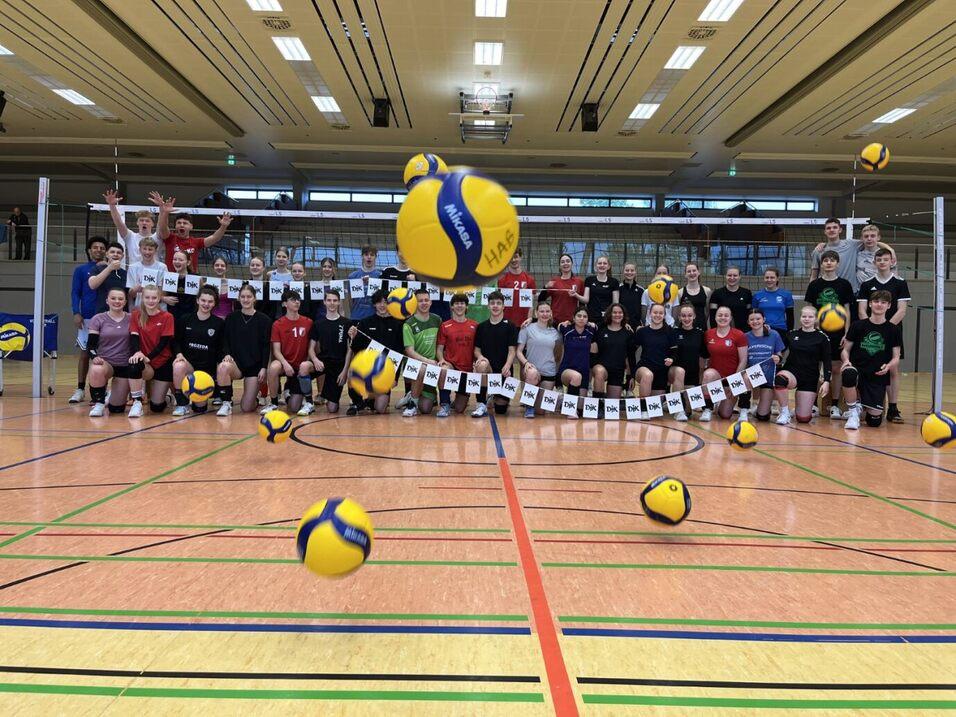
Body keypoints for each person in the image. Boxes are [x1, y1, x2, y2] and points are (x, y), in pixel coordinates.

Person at [857, 247, 910, 423]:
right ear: (874, 263)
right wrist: (870, 328)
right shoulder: (866, 284)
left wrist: (886, 328)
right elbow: (862, 310)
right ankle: (867, 405)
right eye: (878, 260)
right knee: (869, 366)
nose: (882, 263)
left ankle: (893, 408)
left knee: (893, 368)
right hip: (869, 334)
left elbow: (902, 310)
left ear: (892, 262)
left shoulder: (900, 283)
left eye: (885, 260)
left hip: (892, 332)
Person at [840, 290, 901, 430]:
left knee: (874, 422)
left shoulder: (893, 330)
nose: (879, 305)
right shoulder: (858, 325)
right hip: (858, 370)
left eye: (883, 302)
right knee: (848, 373)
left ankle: (861, 406)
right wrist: (846, 361)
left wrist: (889, 366)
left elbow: (896, 357)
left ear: (889, 306)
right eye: (876, 302)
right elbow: (845, 350)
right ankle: (853, 411)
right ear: (870, 304)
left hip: (877, 375)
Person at [804, 249, 855, 419]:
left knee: (836, 369)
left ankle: (834, 405)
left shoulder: (844, 285)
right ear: (821, 264)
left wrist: (847, 333)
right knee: (812, 368)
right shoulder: (814, 285)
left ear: (837, 263)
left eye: (832, 260)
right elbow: (809, 310)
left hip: (838, 334)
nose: (828, 263)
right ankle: (812, 405)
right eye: (825, 260)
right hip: (816, 332)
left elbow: (847, 311)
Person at [216, 284, 272, 416]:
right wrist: (227, 354)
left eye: (249, 297)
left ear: (254, 299)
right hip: (236, 364)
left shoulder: (264, 320)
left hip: (254, 366)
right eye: (243, 297)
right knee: (223, 367)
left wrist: (264, 367)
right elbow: (225, 340)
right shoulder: (231, 318)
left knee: (246, 408)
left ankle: (255, 398)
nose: (246, 300)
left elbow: (266, 347)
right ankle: (226, 403)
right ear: (238, 298)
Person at [346, 289, 405, 415]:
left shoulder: (398, 325)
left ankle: (369, 400)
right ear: (374, 304)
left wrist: (394, 377)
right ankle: (358, 402)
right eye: (378, 302)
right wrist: (353, 336)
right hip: (367, 369)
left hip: (386, 372)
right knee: (351, 377)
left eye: (385, 302)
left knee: (380, 409)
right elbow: (356, 348)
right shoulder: (365, 323)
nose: (382, 305)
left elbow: (399, 353)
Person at [86, 288, 144, 418]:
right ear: (107, 300)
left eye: (120, 299)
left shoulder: (132, 318)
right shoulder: (98, 319)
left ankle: (113, 395)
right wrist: (94, 356)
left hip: (125, 366)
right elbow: (90, 345)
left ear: (124, 302)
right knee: (96, 369)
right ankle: (99, 403)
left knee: (116, 409)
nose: (116, 301)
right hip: (106, 363)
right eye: (113, 298)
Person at [171, 285, 225, 416]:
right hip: (189, 368)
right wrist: (178, 354)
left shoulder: (219, 323)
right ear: (197, 300)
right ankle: (181, 404)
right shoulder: (185, 319)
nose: (206, 304)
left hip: (206, 374)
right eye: (203, 300)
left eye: (210, 301)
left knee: (200, 409)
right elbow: (175, 341)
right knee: (178, 366)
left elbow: (221, 348)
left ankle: (197, 401)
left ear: (214, 304)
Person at [259, 289, 314, 415]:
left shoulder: (308, 322)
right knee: (273, 367)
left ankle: (290, 390)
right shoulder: (278, 324)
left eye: (298, 299)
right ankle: (273, 403)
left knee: (294, 408)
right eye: (292, 299)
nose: (296, 302)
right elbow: (276, 351)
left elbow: (313, 347)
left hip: (302, 366)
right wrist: (285, 364)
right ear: (284, 304)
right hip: (285, 364)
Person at [774, 306, 831, 425]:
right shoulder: (792, 334)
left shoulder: (822, 337)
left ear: (815, 319)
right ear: (800, 318)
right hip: (792, 372)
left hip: (809, 377)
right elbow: (780, 350)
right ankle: (784, 412)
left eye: (810, 317)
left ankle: (799, 407)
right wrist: (778, 357)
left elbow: (827, 361)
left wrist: (826, 381)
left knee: (803, 419)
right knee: (780, 379)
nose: (806, 319)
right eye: (804, 316)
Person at [69, 236, 108, 404]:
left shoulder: (110, 268)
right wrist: (76, 312)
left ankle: (102, 391)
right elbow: (75, 292)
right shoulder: (81, 270)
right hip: (87, 317)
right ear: (89, 250)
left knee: (106, 355)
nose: (98, 250)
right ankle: (79, 389)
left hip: (107, 317)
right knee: (85, 353)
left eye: (101, 247)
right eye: (95, 247)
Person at [809, 218, 894, 292]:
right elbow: (814, 276)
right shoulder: (818, 251)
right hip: (827, 291)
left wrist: (890, 250)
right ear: (825, 231)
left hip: (850, 292)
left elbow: (872, 241)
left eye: (835, 227)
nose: (832, 230)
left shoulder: (851, 244)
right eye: (828, 228)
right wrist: (811, 293)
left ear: (840, 230)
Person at [128, 285, 175, 416]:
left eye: (154, 297)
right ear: (142, 298)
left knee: (156, 407)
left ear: (159, 298)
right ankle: (137, 402)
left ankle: (167, 397)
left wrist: (149, 356)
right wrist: (138, 352)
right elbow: (134, 337)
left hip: (162, 362)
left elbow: (164, 343)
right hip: (145, 362)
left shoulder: (167, 317)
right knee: (134, 363)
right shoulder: (136, 315)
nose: (151, 300)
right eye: (147, 297)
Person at [155, 194, 233, 272]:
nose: (182, 225)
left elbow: (214, 238)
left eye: (185, 223)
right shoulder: (170, 238)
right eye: (179, 223)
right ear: (175, 226)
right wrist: (165, 213)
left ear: (191, 226)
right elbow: (163, 228)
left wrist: (223, 226)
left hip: (190, 279)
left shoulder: (196, 242)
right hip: (171, 278)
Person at [302, 289, 349, 414]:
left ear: (339, 302)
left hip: (338, 366)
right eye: (329, 300)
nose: (332, 303)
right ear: (324, 302)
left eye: (335, 300)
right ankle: (308, 402)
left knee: (332, 409)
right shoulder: (318, 323)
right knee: (304, 366)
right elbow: (311, 349)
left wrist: (345, 371)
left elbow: (350, 350)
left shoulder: (346, 323)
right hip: (322, 362)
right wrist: (315, 360)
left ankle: (330, 397)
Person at [473, 290, 519, 417]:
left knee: (500, 410)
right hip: (488, 368)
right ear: (488, 306)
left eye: (498, 303)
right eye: (492, 303)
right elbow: (476, 350)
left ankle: (494, 395)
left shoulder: (510, 326)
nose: (495, 306)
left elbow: (512, 351)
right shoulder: (482, 327)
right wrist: (481, 358)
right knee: (481, 365)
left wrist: (508, 365)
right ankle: (481, 403)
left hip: (503, 370)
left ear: (503, 306)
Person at [701, 306, 748, 421]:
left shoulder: (739, 335)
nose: (723, 318)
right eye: (720, 315)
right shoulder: (708, 334)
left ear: (731, 318)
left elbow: (743, 361)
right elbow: (704, 357)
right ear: (715, 317)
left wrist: (734, 382)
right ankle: (707, 409)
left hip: (731, 378)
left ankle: (720, 402)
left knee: (725, 415)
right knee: (708, 374)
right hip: (716, 378)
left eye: (726, 315)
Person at [435, 293, 479, 417]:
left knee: (460, 409)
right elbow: (439, 349)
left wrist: (476, 362)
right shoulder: (445, 325)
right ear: (452, 307)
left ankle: (458, 401)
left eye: (462, 303)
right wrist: (442, 360)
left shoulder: (474, 326)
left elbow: (477, 348)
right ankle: (445, 404)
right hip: (451, 366)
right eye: (456, 304)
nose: (459, 306)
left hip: (467, 370)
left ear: (466, 307)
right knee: (443, 370)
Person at [515, 301, 560, 418]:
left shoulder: (556, 331)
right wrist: (526, 363)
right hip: (532, 371)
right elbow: (518, 351)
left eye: (547, 311)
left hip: (548, 372)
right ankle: (528, 406)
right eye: (541, 311)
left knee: (540, 411)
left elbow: (559, 353)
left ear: (551, 313)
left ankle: (544, 400)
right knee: (532, 372)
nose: (544, 314)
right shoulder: (527, 328)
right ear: (536, 313)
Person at [402, 287, 442, 417]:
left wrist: (439, 360)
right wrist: (428, 361)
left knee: (425, 409)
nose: (424, 303)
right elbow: (409, 351)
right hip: (415, 366)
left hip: (432, 367)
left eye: (426, 300)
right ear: (415, 303)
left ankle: (423, 394)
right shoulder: (409, 324)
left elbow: (440, 345)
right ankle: (412, 402)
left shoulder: (437, 320)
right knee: (422, 369)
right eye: (420, 301)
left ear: (431, 302)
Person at [634, 303, 678, 420]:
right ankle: (643, 410)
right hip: (644, 368)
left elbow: (675, 352)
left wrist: (671, 359)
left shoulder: (669, 331)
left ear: (664, 315)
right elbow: (631, 350)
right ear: (650, 313)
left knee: (655, 412)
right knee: (648, 375)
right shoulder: (642, 332)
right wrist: (629, 374)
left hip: (661, 372)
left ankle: (655, 407)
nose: (657, 315)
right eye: (655, 312)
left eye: (660, 313)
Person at [590, 303, 634, 417]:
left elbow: (630, 357)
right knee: (599, 372)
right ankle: (598, 406)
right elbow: (593, 351)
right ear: (610, 314)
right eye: (615, 312)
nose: (617, 315)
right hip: (601, 367)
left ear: (623, 315)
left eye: (620, 313)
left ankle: (607, 403)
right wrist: (591, 370)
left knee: (612, 412)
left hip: (618, 371)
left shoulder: (628, 333)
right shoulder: (600, 330)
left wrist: (630, 377)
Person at [105, 188, 168, 266]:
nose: (144, 223)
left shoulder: (157, 237)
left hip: (154, 274)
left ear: (152, 224)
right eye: (141, 220)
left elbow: (161, 224)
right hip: (135, 275)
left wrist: (161, 207)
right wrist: (112, 205)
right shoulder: (131, 237)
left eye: (147, 221)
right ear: (137, 223)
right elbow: (119, 223)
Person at [743, 308, 785, 422]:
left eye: (758, 319)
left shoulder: (774, 334)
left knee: (763, 417)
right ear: (748, 322)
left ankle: (761, 408)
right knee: (746, 378)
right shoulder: (745, 337)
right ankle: (744, 409)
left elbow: (779, 355)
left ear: (764, 319)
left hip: (768, 377)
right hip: (752, 375)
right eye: (752, 319)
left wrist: (778, 358)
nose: (755, 321)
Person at [670, 303, 708, 420]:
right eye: (683, 316)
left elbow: (704, 359)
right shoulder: (673, 333)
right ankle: (677, 409)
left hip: (692, 377)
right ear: (679, 317)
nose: (686, 318)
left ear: (694, 316)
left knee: (689, 412)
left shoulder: (700, 334)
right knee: (680, 372)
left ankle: (677, 404)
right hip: (676, 373)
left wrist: (699, 385)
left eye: (689, 315)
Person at [557, 308, 595, 419]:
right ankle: (569, 410)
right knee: (575, 376)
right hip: (567, 370)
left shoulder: (591, 330)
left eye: (584, 316)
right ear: (573, 318)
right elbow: (553, 323)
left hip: (584, 372)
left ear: (588, 319)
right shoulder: (566, 328)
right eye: (579, 316)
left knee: (581, 409)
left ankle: (568, 402)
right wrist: (531, 319)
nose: (581, 318)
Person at [752, 267, 794, 348]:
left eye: (772, 277)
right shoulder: (757, 295)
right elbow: (753, 316)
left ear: (777, 279)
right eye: (767, 277)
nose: (769, 280)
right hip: (762, 329)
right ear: (764, 279)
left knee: (778, 357)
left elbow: (790, 316)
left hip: (781, 330)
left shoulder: (786, 295)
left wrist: (789, 333)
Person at [540, 253, 584, 325]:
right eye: (562, 262)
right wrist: (545, 287)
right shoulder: (554, 281)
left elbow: (582, 304)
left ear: (572, 264)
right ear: (560, 266)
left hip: (572, 322)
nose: (565, 263)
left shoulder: (579, 282)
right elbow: (541, 299)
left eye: (568, 261)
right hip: (554, 320)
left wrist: (579, 319)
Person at [497, 248, 536, 328]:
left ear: (520, 257)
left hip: (524, 323)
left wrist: (529, 319)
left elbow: (531, 304)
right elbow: (500, 304)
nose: (513, 260)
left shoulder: (530, 280)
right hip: (506, 323)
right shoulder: (502, 280)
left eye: (516, 257)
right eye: (510, 258)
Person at [126, 237, 166, 309]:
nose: (147, 252)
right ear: (140, 250)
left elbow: (163, 292)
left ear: (155, 251)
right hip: (140, 307)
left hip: (158, 308)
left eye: (150, 249)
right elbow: (130, 295)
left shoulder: (162, 267)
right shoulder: (133, 267)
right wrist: (135, 290)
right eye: (144, 249)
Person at [88, 241, 128, 313]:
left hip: (122, 314)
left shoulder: (126, 273)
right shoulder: (97, 268)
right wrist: (109, 268)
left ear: (122, 256)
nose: (115, 254)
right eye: (112, 252)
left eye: (118, 253)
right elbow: (92, 285)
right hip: (102, 312)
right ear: (107, 254)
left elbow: (129, 294)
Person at [709, 266, 752, 330]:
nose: (732, 278)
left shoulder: (747, 293)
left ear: (740, 277)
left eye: (735, 275)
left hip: (742, 332)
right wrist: (715, 332)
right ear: (725, 276)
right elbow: (712, 316)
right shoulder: (717, 293)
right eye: (729, 275)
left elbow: (749, 314)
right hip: (722, 332)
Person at [581, 255, 619, 323]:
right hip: (591, 318)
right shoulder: (589, 280)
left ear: (608, 266)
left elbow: (615, 303)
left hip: (607, 318)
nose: (602, 265)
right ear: (595, 266)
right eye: (599, 263)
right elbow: (585, 300)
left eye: (604, 263)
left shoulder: (614, 282)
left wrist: (608, 314)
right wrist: (575, 294)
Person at [348, 245, 381, 321]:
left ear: (375, 257)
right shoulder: (353, 276)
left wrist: (372, 283)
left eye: (372, 255)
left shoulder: (380, 276)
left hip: (374, 319)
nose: (369, 257)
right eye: (366, 255)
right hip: (356, 317)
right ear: (362, 256)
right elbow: (350, 300)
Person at [677, 262, 711, 330]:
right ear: (685, 275)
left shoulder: (707, 291)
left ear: (699, 272)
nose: (692, 273)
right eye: (689, 271)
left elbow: (707, 312)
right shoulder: (680, 292)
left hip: (701, 327)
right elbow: (678, 313)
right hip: (685, 328)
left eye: (694, 270)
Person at [163, 250, 193, 323]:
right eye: (175, 259)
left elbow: (200, 297)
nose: (177, 262)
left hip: (190, 318)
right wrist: (164, 298)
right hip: (172, 317)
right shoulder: (169, 277)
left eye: (180, 260)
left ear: (188, 262)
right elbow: (161, 296)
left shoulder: (195, 278)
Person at [618, 263, 644, 327]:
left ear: (635, 272)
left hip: (637, 325)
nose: (629, 272)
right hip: (621, 324)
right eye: (627, 270)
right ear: (623, 272)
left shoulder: (641, 290)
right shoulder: (618, 289)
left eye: (632, 270)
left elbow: (643, 309)